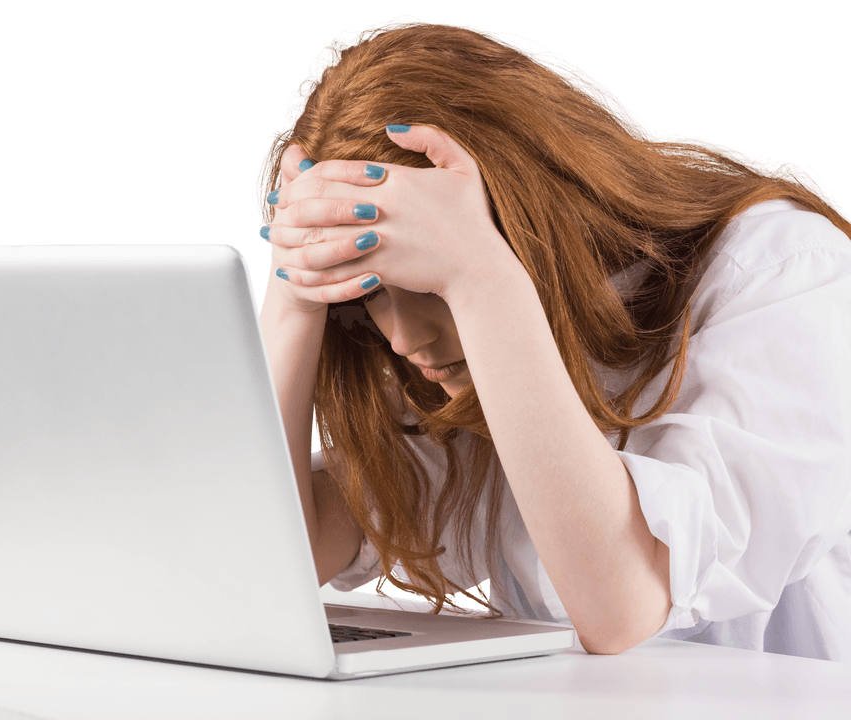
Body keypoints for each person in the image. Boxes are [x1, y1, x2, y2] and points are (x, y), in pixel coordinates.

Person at [255, 16, 851, 660]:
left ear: (532, 212)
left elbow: (621, 606)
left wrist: (478, 274)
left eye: (426, 285)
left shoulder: (785, 271)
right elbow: (264, 566)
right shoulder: (457, 371)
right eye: (372, 293)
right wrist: (292, 297)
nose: (402, 339)